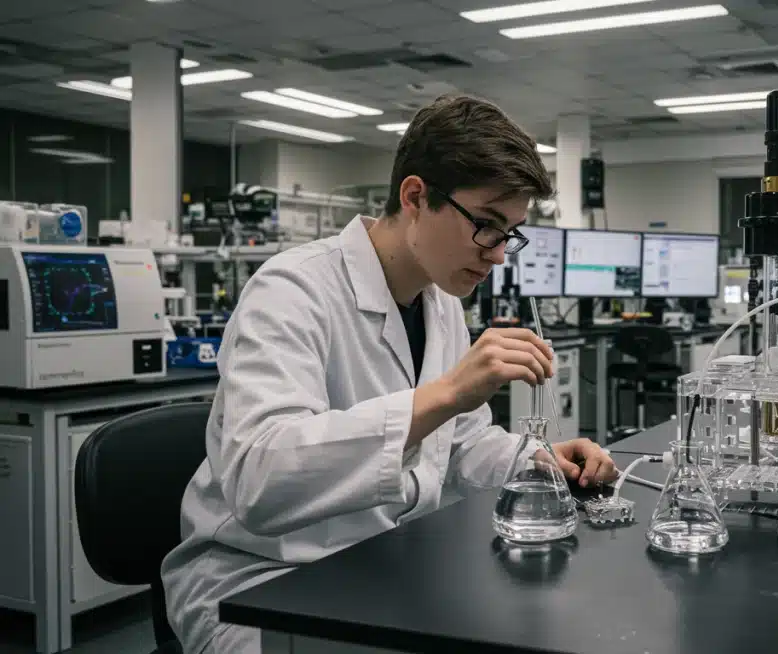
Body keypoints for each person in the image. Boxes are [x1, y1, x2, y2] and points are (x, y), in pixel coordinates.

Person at [162, 94, 617, 654]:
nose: (499, 254)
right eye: (487, 226)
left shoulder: (440, 302)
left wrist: (535, 460)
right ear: (416, 196)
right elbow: (259, 480)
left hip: (381, 562)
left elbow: (459, 444)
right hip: (260, 580)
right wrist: (446, 393)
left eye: (510, 234)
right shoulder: (292, 290)